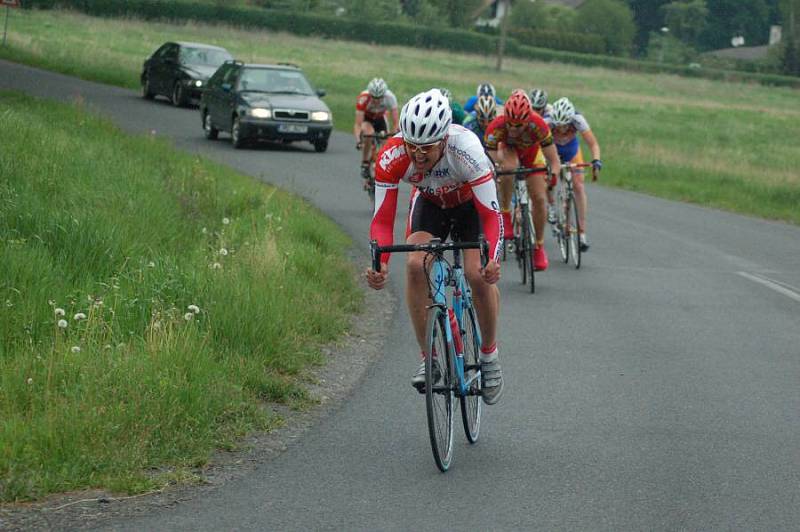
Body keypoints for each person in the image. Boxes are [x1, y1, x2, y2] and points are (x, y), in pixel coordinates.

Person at [365, 89, 505, 405]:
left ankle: (489, 355)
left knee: (477, 273)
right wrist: (380, 264)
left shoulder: (466, 149)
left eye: (426, 148)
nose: (417, 155)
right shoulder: (392, 154)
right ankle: (430, 359)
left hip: (471, 207)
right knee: (415, 265)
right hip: (430, 205)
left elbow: (492, 215)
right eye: (411, 146)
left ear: (443, 139)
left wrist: (492, 258)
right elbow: (382, 219)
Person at [485, 89, 561, 271]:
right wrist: (498, 171)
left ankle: (538, 247)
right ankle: (505, 212)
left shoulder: (539, 125)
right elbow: (491, 159)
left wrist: (554, 177)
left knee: (540, 198)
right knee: (508, 168)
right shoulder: (496, 127)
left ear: (528, 120)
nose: (513, 129)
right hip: (508, 151)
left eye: (519, 126)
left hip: (532, 154)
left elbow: (554, 160)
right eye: (510, 124)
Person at [546, 97, 602, 251]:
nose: (562, 129)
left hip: (572, 152)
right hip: (553, 152)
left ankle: (582, 232)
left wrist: (596, 160)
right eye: (558, 126)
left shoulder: (578, 120)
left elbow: (593, 144)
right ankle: (551, 206)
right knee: (548, 178)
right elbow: (536, 145)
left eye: (565, 125)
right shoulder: (547, 122)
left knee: (578, 185)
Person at [354, 78, 399, 190]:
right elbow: (358, 124)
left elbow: (395, 121)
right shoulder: (363, 98)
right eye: (374, 97)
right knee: (369, 133)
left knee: (386, 144)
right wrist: (359, 141)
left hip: (380, 118)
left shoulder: (390, 97)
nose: (377, 101)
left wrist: (393, 135)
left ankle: (382, 168)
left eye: (379, 98)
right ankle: (365, 163)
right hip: (367, 119)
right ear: (370, 94)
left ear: (384, 95)